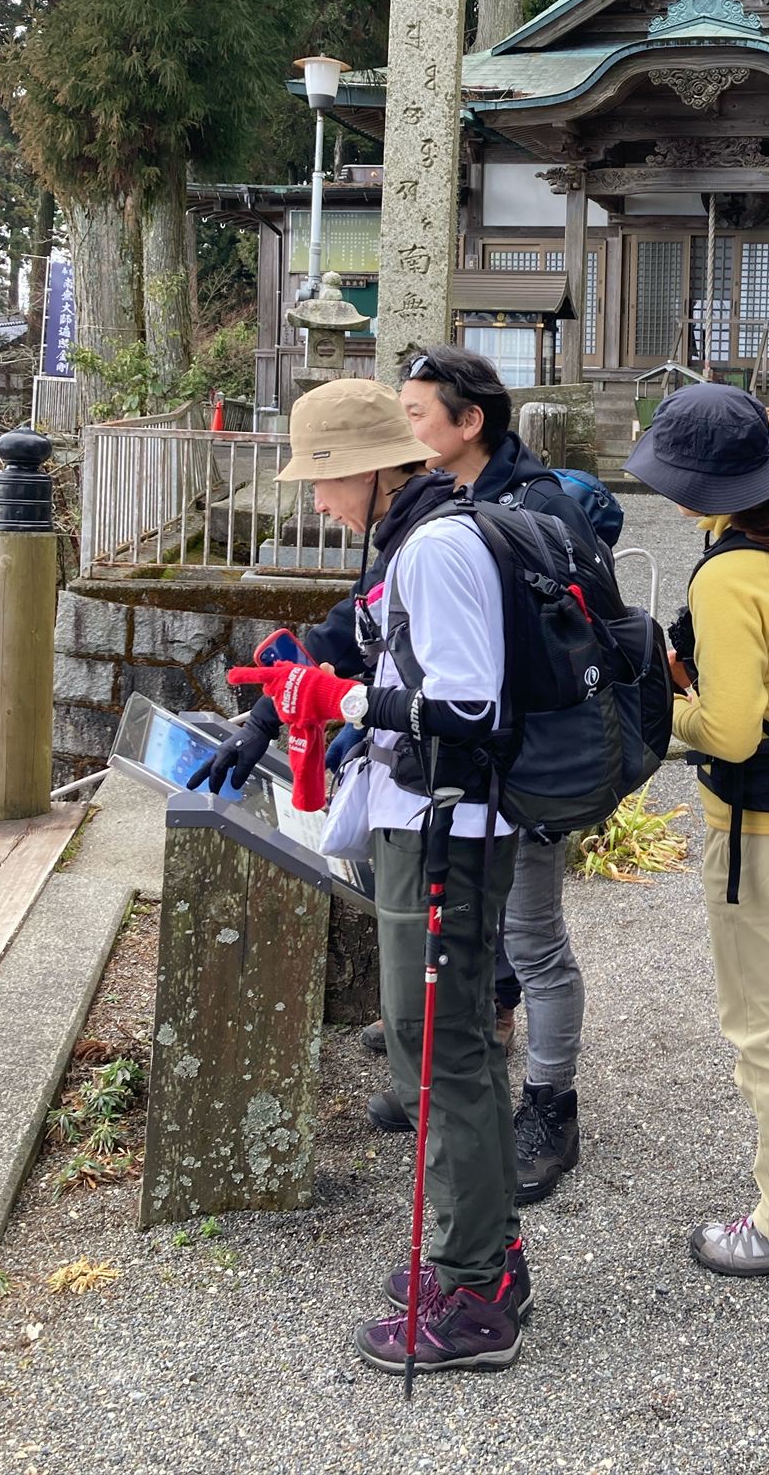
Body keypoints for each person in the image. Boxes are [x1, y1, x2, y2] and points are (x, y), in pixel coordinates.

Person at [230, 377, 526, 1372]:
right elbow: (363, 642)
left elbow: (471, 710)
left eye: (322, 480)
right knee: (439, 1043)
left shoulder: (435, 548)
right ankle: (484, 1254)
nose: (318, 503)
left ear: (369, 470)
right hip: (434, 818)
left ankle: (475, 1292)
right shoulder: (420, 536)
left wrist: (345, 702)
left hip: (448, 826)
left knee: (439, 1048)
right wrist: (277, 706)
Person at [624, 382, 769, 1278]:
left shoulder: (729, 576)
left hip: (763, 826)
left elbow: (728, 732)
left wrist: (660, 704)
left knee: (762, 1026)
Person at [394, 345, 605, 1205]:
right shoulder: (442, 496)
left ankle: (554, 1107)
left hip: (528, 758)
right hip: (470, 760)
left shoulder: (539, 503)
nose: (404, 427)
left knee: (535, 935)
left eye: (416, 413)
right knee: (485, 928)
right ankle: (478, 1048)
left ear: (469, 420)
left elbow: (583, 635)